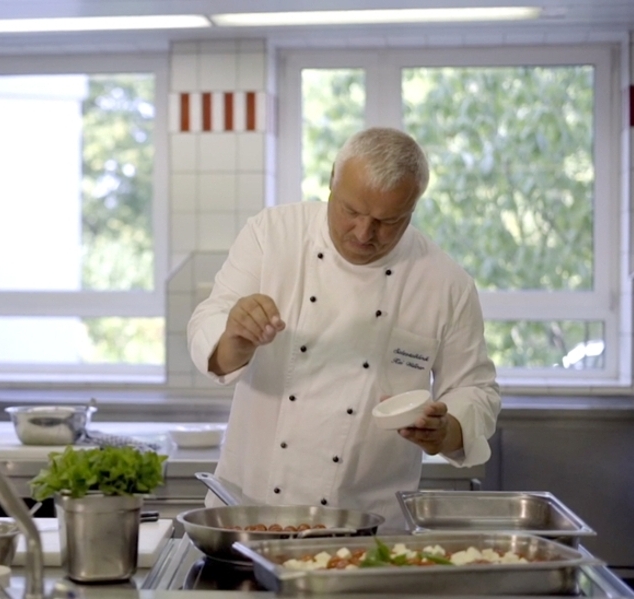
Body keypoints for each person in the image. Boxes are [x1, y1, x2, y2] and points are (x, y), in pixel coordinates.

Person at [187, 126, 500, 529]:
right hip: (250, 516)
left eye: (387, 221)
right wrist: (236, 336)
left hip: (366, 527)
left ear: (414, 207)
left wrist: (447, 430)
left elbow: (476, 389)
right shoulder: (273, 234)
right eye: (351, 211)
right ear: (332, 181)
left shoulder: (445, 283)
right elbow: (206, 325)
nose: (363, 233)